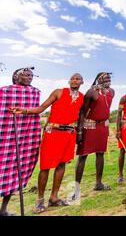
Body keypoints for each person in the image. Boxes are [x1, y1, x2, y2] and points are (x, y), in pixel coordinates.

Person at [10, 73, 85, 213]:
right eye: (73, 78)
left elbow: (81, 115)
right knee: (45, 166)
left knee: (62, 164)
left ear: (82, 82)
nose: (75, 80)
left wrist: (80, 133)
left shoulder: (82, 97)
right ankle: (39, 201)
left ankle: (54, 198)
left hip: (69, 134)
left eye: (78, 79)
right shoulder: (58, 92)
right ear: (69, 81)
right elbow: (41, 108)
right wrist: (25, 110)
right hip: (53, 133)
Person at [0, 67, 41, 216]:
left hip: (25, 138)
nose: (29, 77)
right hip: (5, 137)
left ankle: (3, 209)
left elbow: (36, 110)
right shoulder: (4, 91)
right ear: (16, 76)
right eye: (25, 74)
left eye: (31, 75)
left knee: (16, 173)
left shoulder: (35, 92)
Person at [71, 72, 115, 201]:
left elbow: (105, 109)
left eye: (109, 78)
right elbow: (82, 113)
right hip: (89, 126)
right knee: (83, 156)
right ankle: (76, 189)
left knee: (100, 153)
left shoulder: (111, 91)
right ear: (99, 80)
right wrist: (79, 131)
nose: (108, 80)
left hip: (103, 126)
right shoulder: (91, 92)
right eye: (105, 78)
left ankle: (98, 183)